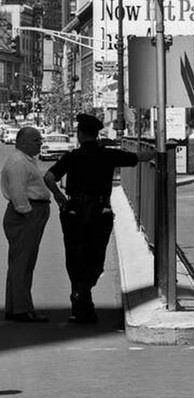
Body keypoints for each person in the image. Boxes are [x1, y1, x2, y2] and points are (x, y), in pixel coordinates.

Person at [44, 114, 155, 324]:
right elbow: (140, 158)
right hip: (99, 210)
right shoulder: (108, 155)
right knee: (96, 257)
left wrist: (60, 199)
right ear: (96, 135)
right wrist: (160, 151)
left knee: (75, 257)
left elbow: (49, 177)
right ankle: (83, 296)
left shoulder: (72, 157)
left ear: (79, 135)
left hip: (74, 210)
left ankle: (80, 298)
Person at [3, 126, 61, 322]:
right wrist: (28, 214)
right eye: (36, 140)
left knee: (22, 263)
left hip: (30, 213)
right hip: (26, 215)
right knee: (23, 263)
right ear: (22, 142)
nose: (40, 143)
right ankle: (21, 309)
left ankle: (16, 306)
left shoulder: (26, 160)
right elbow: (18, 193)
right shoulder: (19, 162)